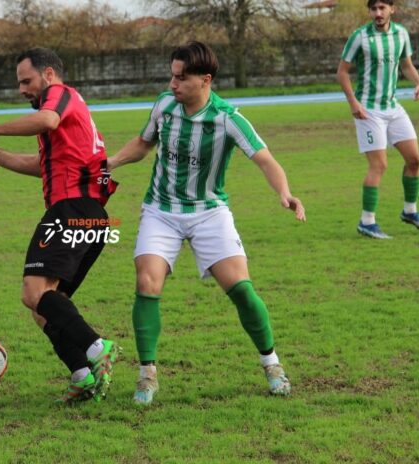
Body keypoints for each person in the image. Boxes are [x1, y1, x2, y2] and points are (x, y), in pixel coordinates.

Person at [107, 41, 306, 406]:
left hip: (209, 212)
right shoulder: (164, 106)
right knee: (147, 282)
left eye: (181, 78)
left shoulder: (228, 118)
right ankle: (147, 374)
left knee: (242, 290)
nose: (173, 84)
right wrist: (111, 163)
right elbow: (142, 143)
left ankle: (272, 364)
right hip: (161, 211)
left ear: (206, 80)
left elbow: (265, 160)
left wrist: (285, 192)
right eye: (172, 75)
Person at [0, 47, 120, 404]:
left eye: (26, 81)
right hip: (90, 215)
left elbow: (47, 119)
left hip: (72, 210)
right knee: (46, 305)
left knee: (33, 293)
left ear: (48, 74)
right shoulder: (67, 117)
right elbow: (42, 165)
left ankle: (98, 348)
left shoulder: (60, 95)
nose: (21, 89)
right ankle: (82, 375)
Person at [337, 0, 419, 239]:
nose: (378, 13)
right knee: (379, 165)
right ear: (369, 11)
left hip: (393, 108)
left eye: (382, 8)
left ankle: (410, 212)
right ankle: (367, 222)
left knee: (415, 160)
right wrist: (353, 103)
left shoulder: (401, 34)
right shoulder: (360, 37)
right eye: (374, 9)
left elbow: (406, 64)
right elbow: (342, 72)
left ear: (392, 9)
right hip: (368, 110)